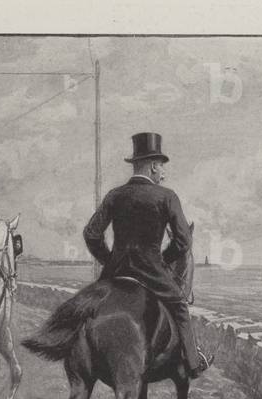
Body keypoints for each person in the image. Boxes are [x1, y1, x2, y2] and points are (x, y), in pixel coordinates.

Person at [83, 132, 212, 378]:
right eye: (162, 166)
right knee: (180, 307)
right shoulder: (167, 196)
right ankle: (193, 363)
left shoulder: (114, 195)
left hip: (115, 273)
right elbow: (184, 241)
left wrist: (110, 260)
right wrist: (162, 260)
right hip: (152, 272)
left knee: (89, 308)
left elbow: (91, 234)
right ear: (153, 166)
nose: (164, 173)